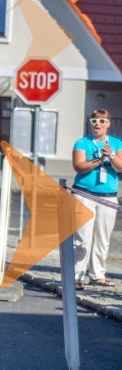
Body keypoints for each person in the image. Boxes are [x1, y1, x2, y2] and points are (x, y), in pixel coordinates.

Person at [71, 109, 122, 290]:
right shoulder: (82, 143)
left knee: (102, 238)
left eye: (102, 120)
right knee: (82, 238)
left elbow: (120, 167)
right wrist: (100, 160)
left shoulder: (116, 143)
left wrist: (112, 155)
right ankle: (77, 275)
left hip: (108, 197)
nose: (97, 123)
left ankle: (97, 275)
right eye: (94, 120)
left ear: (108, 124)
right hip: (84, 194)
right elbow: (79, 166)